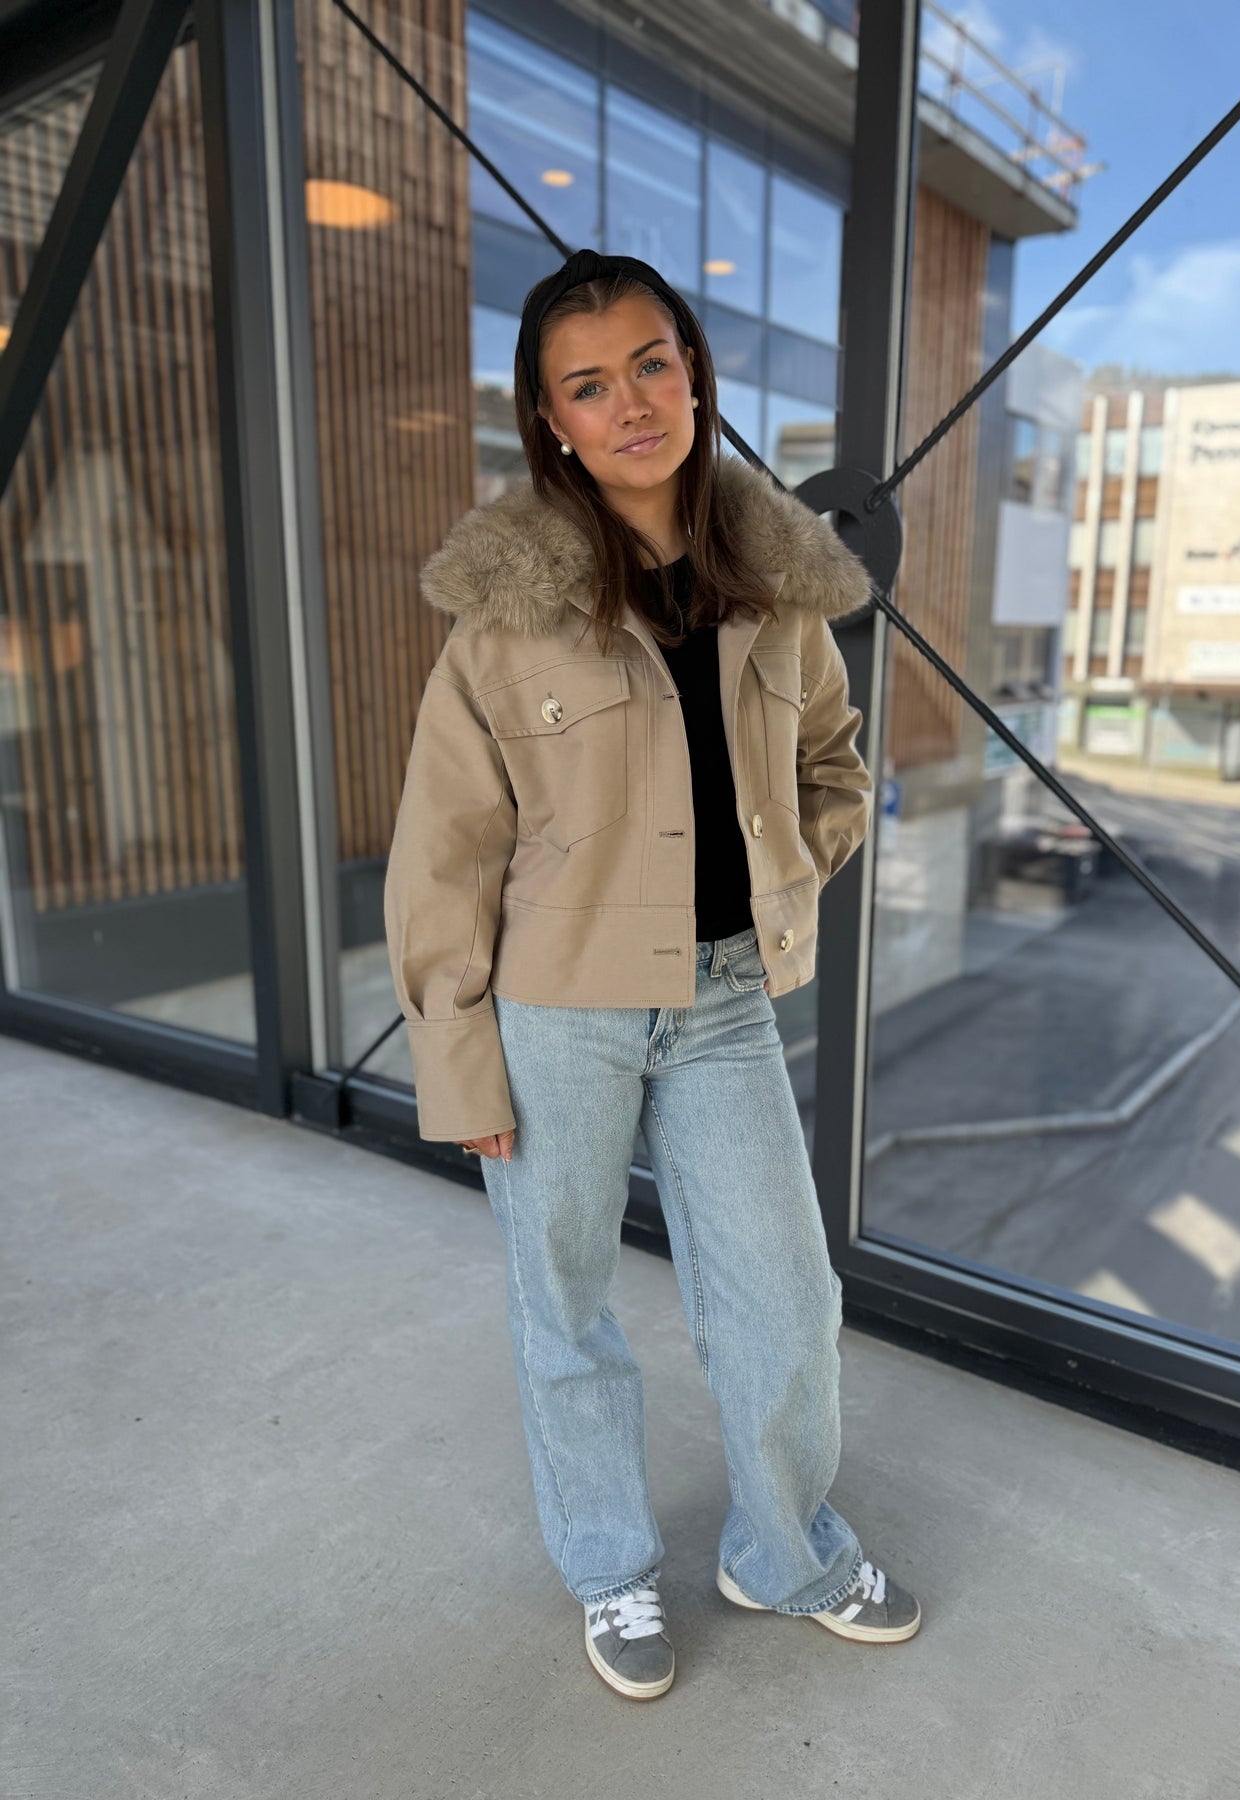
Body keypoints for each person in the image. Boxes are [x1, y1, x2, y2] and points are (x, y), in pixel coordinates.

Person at [383, 248, 921, 1702]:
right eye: (587, 385)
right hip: (556, 1010)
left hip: (726, 997)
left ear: (693, 373)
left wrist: (789, 871)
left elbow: (833, 766)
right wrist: (459, 1057)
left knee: (786, 1298)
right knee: (564, 1306)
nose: (629, 403)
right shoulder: (504, 621)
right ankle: (610, 1567)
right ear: (550, 421)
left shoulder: (776, 588)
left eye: (650, 365)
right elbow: (444, 853)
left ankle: (782, 1552)